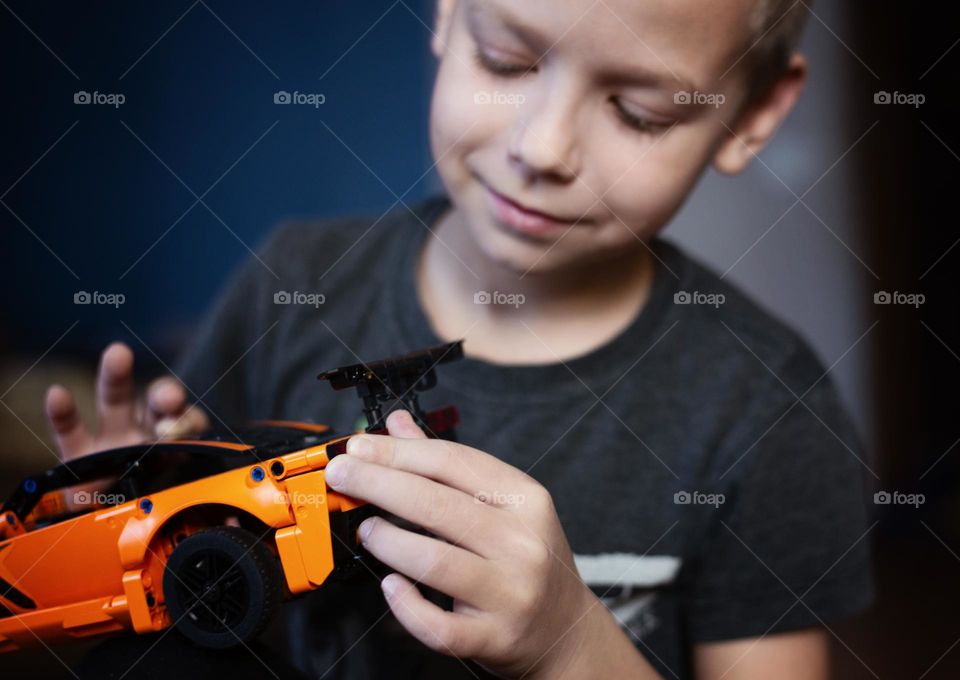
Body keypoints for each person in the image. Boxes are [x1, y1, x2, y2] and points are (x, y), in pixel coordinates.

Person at [44, 0, 874, 677]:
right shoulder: (288, 283)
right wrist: (127, 523)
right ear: (446, 16)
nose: (541, 148)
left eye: (639, 110)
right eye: (507, 61)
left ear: (752, 114)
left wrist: (570, 642)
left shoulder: (771, 409)